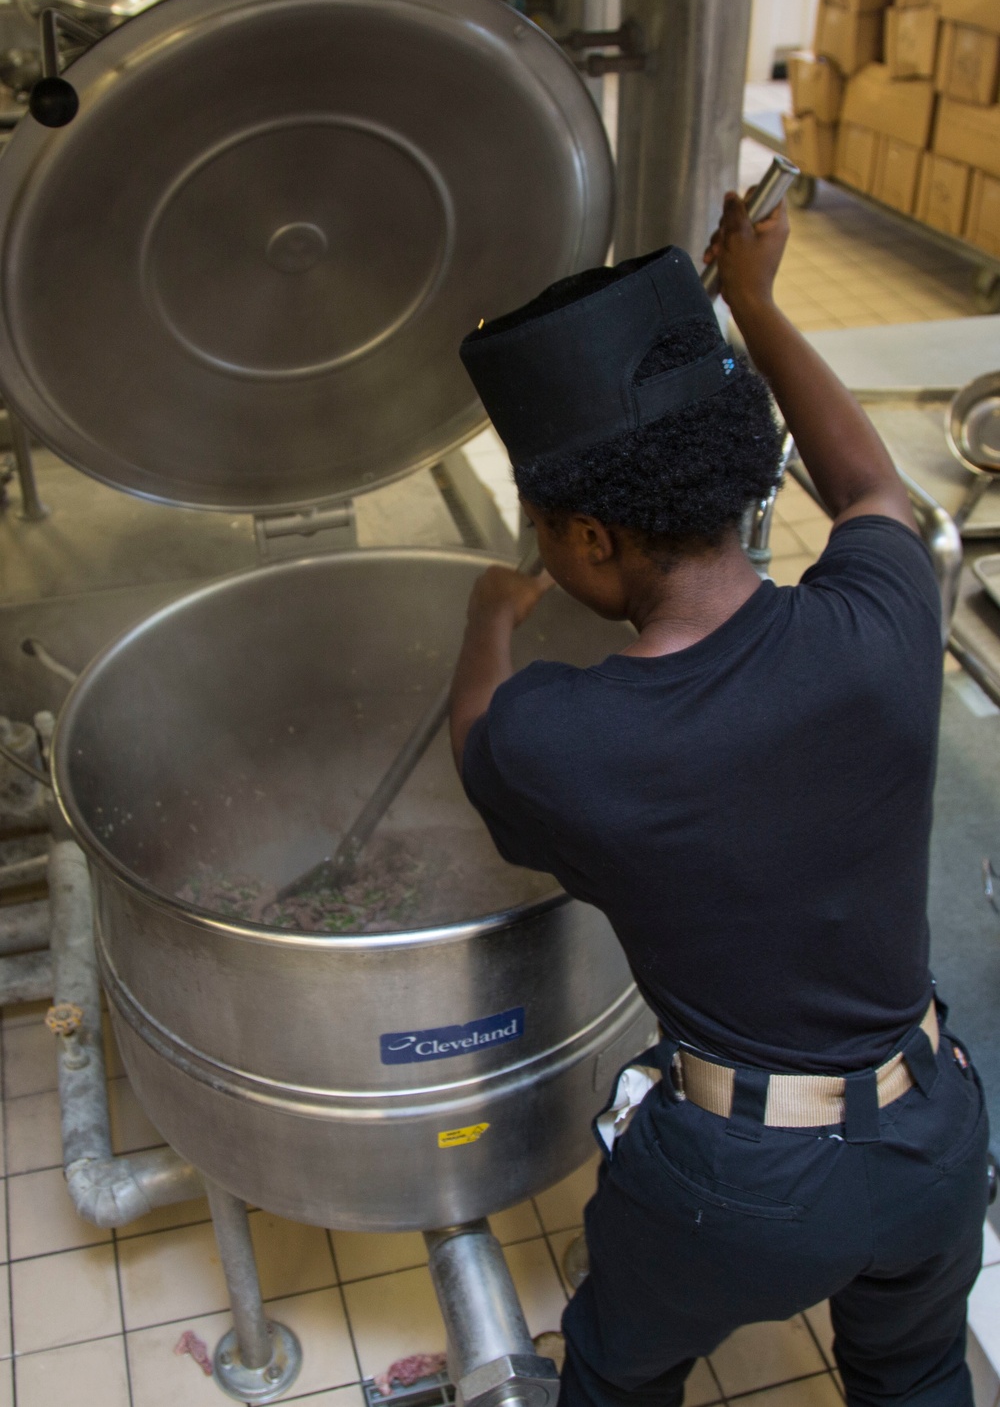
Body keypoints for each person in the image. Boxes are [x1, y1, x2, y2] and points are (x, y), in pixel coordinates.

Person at [449, 191, 991, 1407]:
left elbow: (477, 734)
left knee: (616, 1371)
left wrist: (487, 619)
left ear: (586, 542)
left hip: (737, 1183)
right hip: (935, 1131)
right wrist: (753, 297)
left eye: (541, 530)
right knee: (912, 1374)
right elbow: (868, 488)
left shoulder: (567, 736)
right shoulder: (882, 618)